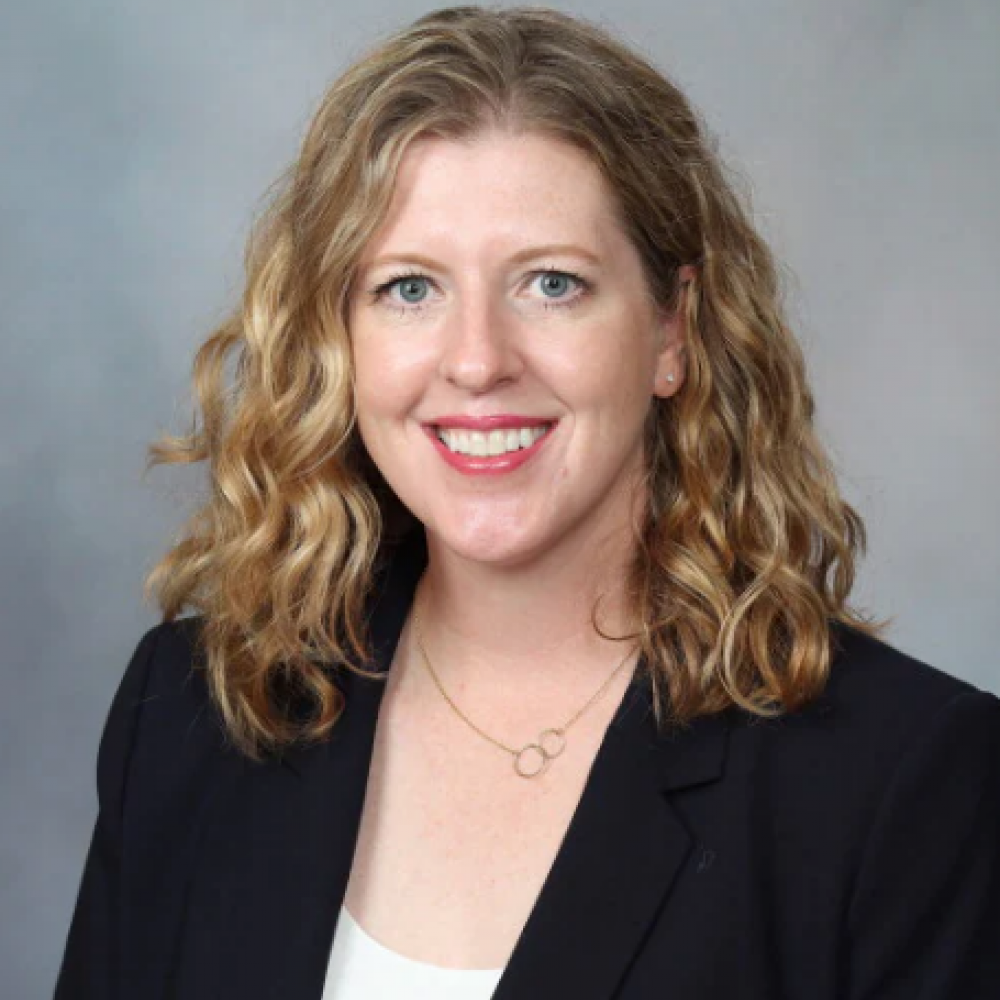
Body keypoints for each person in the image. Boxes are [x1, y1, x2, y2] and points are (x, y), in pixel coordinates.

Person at [54, 6, 1000, 999]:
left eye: (552, 283)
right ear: (336, 336)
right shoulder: (190, 713)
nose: (476, 361)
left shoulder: (908, 782)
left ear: (672, 330)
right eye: (408, 288)